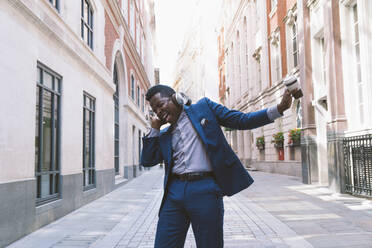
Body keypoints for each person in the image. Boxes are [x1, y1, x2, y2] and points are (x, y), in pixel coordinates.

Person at [140, 85, 294, 248]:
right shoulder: (164, 135)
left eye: (160, 105)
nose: (158, 112)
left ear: (175, 98)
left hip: (205, 189)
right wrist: (155, 130)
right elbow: (148, 161)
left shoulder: (204, 108)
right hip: (174, 193)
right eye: (154, 110)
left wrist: (279, 109)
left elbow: (242, 120)